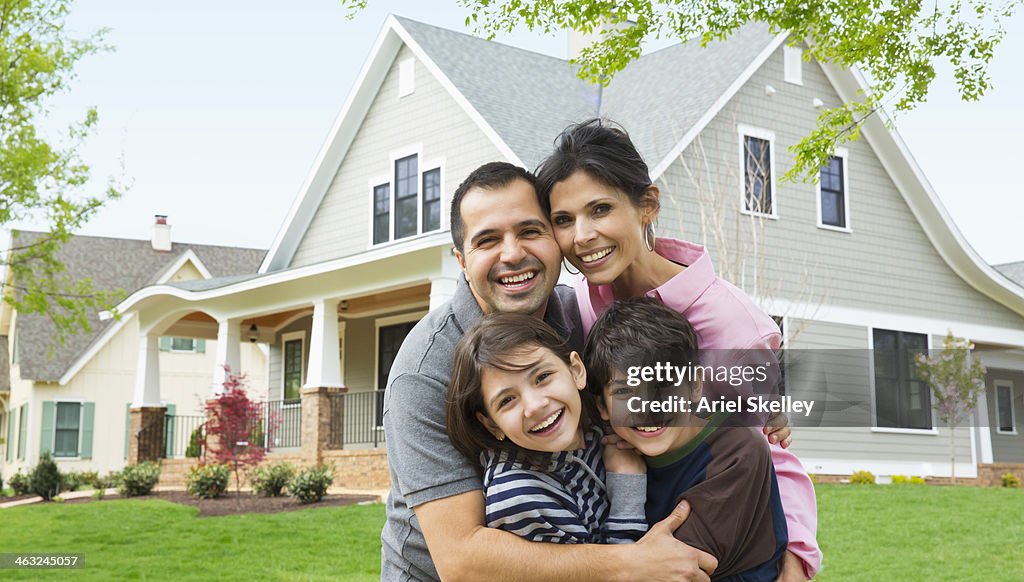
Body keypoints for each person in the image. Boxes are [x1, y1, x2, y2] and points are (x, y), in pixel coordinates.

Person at [381, 161, 724, 581]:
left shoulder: (581, 318)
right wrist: (631, 563)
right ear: (462, 261)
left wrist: (759, 403)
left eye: (530, 231)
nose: (512, 254)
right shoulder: (423, 372)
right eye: (487, 240)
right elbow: (460, 560)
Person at [535, 118, 822, 579]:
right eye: (564, 220)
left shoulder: (733, 325)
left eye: (601, 209)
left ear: (647, 205)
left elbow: (770, 451)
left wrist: (796, 561)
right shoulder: (586, 305)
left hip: (712, 529)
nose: (581, 236)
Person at [586, 297, 789, 580]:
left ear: (695, 386)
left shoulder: (737, 451)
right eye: (625, 392)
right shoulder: (617, 449)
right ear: (602, 407)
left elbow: (663, 571)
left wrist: (627, 487)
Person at [446, 312, 647, 544]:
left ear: (576, 371)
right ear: (492, 424)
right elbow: (617, 572)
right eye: (507, 400)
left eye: (542, 377)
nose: (534, 406)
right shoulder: (520, 495)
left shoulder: (594, 422)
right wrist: (627, 484)